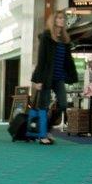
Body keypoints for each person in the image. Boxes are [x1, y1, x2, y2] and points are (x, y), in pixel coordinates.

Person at [30, 11, 78, 145]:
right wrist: (38, 80)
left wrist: (72, 75)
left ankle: (47, 128)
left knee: (63, 104)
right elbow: (42, 59)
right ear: (54, 20)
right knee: (43, 106)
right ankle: (42, 135)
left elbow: (68, 60)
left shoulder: (65, 40)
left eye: (63, 18)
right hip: (46, 76)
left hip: (59, 77)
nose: (62, 20)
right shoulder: (46, 37)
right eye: (59, 18)